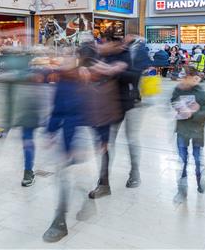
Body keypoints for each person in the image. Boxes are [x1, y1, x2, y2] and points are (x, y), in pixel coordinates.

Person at [87, 29, 141, 199]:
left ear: (114, 43)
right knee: (106, 143)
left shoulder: (130, 54)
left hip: (128, 104)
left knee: (131, 140)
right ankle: (103, 184)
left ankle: (135, 173)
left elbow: (135, 76)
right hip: (108, 105)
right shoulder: (101, 55)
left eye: (103, 42)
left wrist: (116, 71)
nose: (100, 45)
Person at [42, 55, 88, 242]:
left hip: (78, 136)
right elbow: (56, 109)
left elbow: (88, 112)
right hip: (66, 137)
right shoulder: (62, 82)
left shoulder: (83, 84)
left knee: (67, 176)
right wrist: (50, 131)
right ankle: (82, 202)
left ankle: (60, 221)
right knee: (64, 175)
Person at [171, 67, 205, 202]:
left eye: (186, 77)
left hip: (197, 132)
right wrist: (178, 107)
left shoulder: (201, 93)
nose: (183, 80)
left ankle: (201, 183)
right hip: (182, 131)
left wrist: (194, 113)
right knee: (182, 160)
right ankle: (181, 190)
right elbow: (173, 101)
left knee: (198, 158)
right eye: (182, 77)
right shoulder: (178, 90)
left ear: (193, 77)